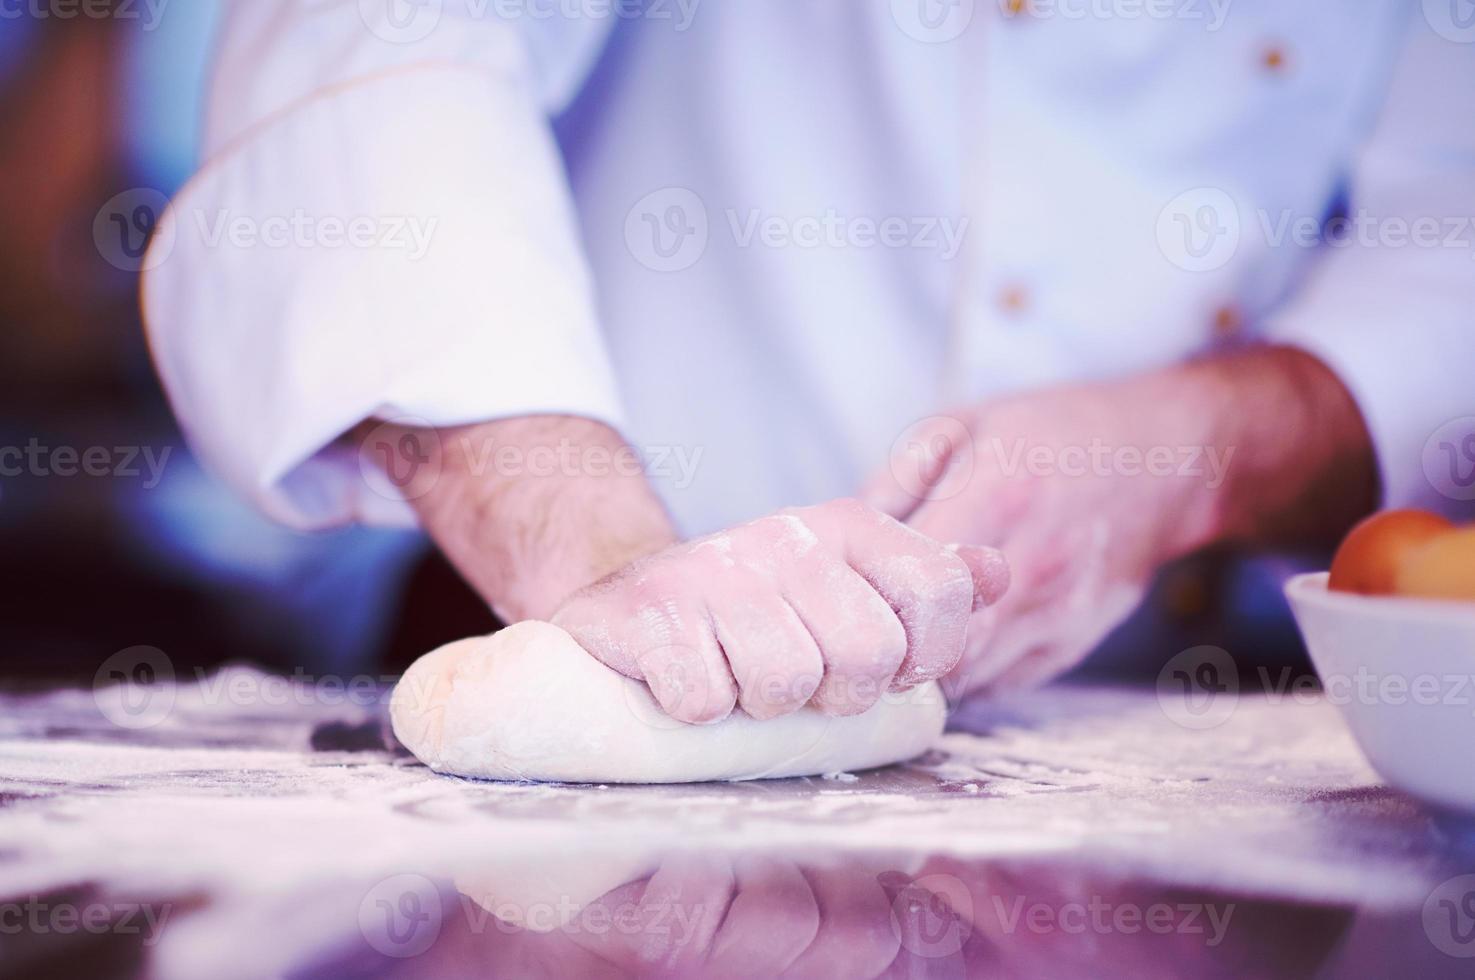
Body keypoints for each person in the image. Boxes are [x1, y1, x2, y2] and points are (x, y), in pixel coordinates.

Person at [143, 2, 1473, 722]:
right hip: (545, 623)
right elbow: (387, 39)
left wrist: (1196, 451)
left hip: (1159, 726)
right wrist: (586, 539)